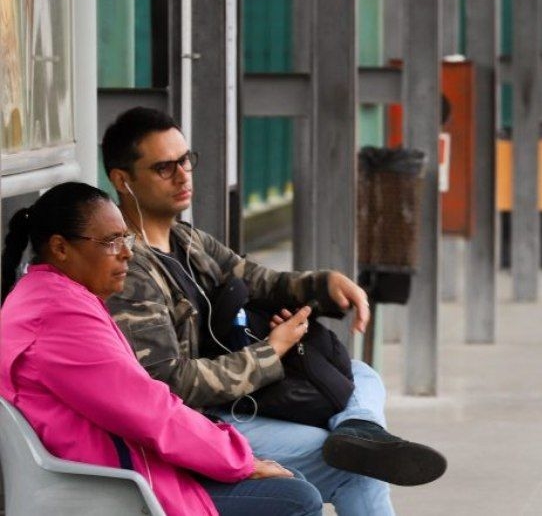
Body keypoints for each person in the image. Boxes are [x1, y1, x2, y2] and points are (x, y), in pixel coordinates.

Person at [101, 107, 447, 516]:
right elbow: (169, 383)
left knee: (362, 375)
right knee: (355, 468)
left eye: (185, 160)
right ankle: (357, 434)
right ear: (123, 180)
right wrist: (271, 352)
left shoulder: (187, 240)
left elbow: (257, 279)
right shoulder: (128, 268)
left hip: (245, 396)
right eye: (164, 168)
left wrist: (323, 285)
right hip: (205, 422)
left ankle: (359, 428)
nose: (182, 175)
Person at [0, 182, 324, 516]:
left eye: (125, 238)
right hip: (117, 487)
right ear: (60, 248)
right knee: (298, 499)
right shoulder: (59, 315)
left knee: (291, 482)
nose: (127, 252)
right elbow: (148, 412)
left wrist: (235, 457)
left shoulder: (43, 297)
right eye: (111, 242)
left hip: (112, 468)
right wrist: (237, 458)